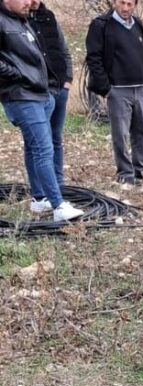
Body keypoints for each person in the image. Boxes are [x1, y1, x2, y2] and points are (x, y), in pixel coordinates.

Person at [0, 0, 83, 221]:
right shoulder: (3, 21)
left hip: (40, 94)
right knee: (44, 149)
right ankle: (58, 206)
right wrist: (18, 75)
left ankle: (39, 199)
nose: (30, 2)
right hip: (21, 96)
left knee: (34, 146)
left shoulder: (21, 20)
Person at [85, 0, 143, 185]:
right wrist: (106, 88)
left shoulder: (137, 24)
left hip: (140, 89)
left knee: (141, 131)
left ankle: (142, 169)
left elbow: (142, 54)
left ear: (135, 4)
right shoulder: (101, 25)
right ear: (114, 2)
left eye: (130, 4)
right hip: (118, 90)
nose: (125, 8)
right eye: (122, 3)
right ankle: (125, 173)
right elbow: (93, 58)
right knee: (120, 134)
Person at [28, 0, 71, 200]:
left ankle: (58, 181)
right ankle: (40, 192)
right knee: (36, 143)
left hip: (59, 87)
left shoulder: (49, 17)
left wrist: (68, 79)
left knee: (56, 137)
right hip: (38, 91)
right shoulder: (17, 21)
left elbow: (64, 50)